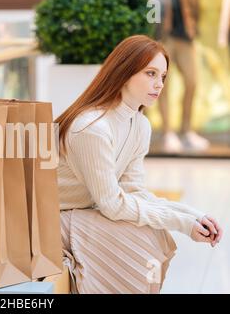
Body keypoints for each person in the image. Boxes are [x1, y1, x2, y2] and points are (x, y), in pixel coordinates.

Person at [55, 35, 223, 294]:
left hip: (84, 210)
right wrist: (181, 224)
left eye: (163, 77)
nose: (159, 84)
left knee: (153, 234)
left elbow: (134, 192)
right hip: (54, 220)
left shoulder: (139, 125)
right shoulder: (91, 128)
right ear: (124, 72)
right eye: (151, 73)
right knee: (147, 237)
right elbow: (112, 204)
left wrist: (193, 216)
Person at [155, 0, 210, 153]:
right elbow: (152, 7)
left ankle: (186, 131)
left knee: (192, 82)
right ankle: (167, 132)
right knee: (163, 85)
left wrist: (193, 28)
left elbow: (195, 7)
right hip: (164, 37)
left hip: (185, 36)